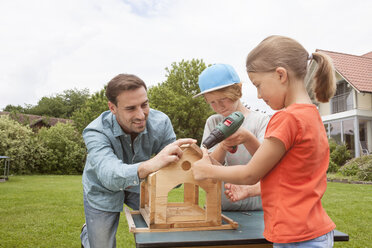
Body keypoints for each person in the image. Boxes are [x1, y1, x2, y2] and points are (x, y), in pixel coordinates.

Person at [192, 35, 336, 247]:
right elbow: (281, 170)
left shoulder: (286, 118)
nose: (258, 95)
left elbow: (251, 173)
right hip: (307, 231)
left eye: (258, 85)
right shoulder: (310, 114)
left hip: (297, 236)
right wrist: (247, 140)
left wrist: (206, 169)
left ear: (281, 75)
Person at [80, 73, 196, 248]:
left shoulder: (161, 122)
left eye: (144, 104)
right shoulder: (95, 132)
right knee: (101, 244)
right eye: (131, 108)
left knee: (159, 233)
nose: (141, 115)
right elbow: (110, 176)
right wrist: (154, 163)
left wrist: (185, 163)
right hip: (102, 188)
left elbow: (175, 175)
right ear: (112, 108)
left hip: (139, 186)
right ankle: (88, 233)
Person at [194, 63, 269, 210]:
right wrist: (223, 145)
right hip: (220, 207)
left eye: (223, 99)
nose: (219, 107)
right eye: (212, 103)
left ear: (238, 90)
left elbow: (266, 162)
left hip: (256, 207)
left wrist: (248, 138)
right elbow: (207, 166)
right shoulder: (213, 122)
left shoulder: (261, 120)